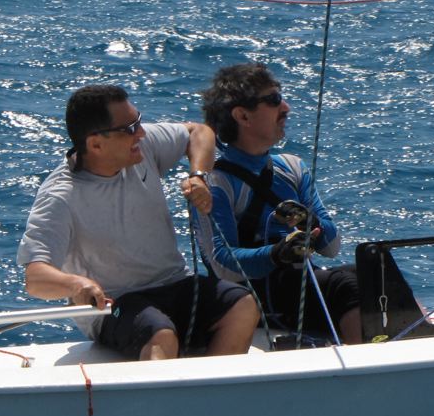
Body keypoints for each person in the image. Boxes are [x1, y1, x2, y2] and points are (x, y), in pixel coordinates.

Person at [18, 84, 259, 360]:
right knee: (161, 335)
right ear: (95, 144)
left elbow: (199, 132)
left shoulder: (142, 146)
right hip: (117, 302)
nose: (141, 133)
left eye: (139, 122)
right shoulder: (59, 197)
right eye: (130, 128)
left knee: (243, 304)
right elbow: (35, 278)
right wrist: (75, 284)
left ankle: (211, 383)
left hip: (173, 283)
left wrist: (199, 176)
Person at [198, 63, 363, 344]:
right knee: (344, 286)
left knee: (375, 272)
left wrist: (311, 223)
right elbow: (222, 266)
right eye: (274, 100)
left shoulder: (292, 168)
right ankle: (369, 363)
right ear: (243, 116)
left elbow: (332, 248)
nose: (286, 108)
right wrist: (277, 254)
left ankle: (416, 342)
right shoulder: (214, 184)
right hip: (252, 298)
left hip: (297, 285)